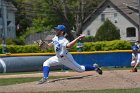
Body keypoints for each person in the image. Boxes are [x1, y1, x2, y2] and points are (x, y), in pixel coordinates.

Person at [38, 24, 103, 84]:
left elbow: (69, 46)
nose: (56, 30)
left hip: (65, 58)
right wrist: (44, 45)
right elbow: (49, 46)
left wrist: (77, 38)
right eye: (56, 29)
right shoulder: (55, 37)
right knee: (46, 63)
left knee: (80, 69)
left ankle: (95, 67)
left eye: (57, 30)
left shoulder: (64, 40)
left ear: (62, 32)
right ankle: (45, 78)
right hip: (57, 57)